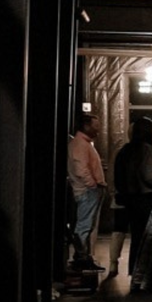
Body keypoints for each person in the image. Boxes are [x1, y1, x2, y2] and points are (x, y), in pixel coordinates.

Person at [111, 118, 152, 280]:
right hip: (146, 198)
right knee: (146, 238)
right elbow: (150, 175)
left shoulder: (124, 150)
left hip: (129, 198)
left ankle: (135, 272)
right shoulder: (148, 150)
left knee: (136, 238)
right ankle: (144, 273)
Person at [65, 116, 107, 276]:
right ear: (86, 126)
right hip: (87, 191)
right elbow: (81, 169)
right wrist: (93, 185)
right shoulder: (80, 145)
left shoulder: (82, 144)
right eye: (95, 125)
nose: (98, 129)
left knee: (87, 225)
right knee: (85, 225)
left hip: (88, 190)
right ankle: (81, 258)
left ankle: (84, 257)